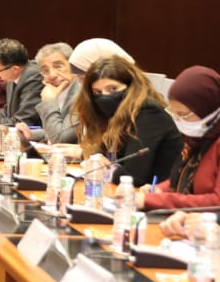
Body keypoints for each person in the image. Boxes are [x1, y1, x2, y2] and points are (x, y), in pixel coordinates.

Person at [71, 55, 181, 188]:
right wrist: (97, 158)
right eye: (98, 92)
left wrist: (107, 171)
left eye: (113, 89)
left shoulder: (148, 112)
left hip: (159, 193)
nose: (105, 97)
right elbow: (102, 153)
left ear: (131, 86)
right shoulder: (111, 113)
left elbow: (133, 176)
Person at [139, 65, 220, 211]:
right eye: (174, 113)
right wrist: (159, 189)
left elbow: (217, 202)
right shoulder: (197, 138)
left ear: (208, 108)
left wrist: (155, 200)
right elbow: (182, 178)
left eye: (183, 115)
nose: (178, 121)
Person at [17, 42, 77, 144]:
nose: (52, 75)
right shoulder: (58, 91)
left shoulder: (81, 94)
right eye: (45, 70)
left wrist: (49, 102)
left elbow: (60, 139)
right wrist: (31, 134)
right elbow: (58, 130)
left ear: (73, 65)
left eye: (58, 66)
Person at [0, 38, 42, 127]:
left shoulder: (33, 77)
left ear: (15, 69)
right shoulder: (12, 76)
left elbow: (23, 121)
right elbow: (7, 114)